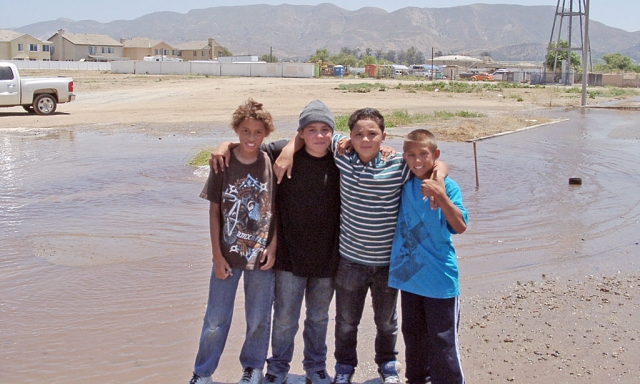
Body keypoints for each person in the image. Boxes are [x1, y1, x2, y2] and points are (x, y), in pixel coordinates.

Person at [274, 108, 449, 384]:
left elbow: (431, 163)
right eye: (358, 134)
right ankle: (344, 367)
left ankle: (388, 364)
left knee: (386, 322)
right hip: (350, 260)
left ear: (384, 136)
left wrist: (438, 176)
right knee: (345, 322)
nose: (365, 140)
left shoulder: (399, 165)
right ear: (349, 136)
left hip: (387, 262)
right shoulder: (342, 154)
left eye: (372, 134)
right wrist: (287, 151)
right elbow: (310, 134)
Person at [209, 100, 341, 384]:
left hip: (327, 257)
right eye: (311, 129)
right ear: (300, 132)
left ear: (333, 132)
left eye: (325, 130)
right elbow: (249, 143)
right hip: (288, 257)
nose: (319, 136)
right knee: (283, 320)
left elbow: (367, 150)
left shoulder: (340, 159)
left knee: (318, 319)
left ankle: (315, 367)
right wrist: (223, 145)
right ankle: (277, 368)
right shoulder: (277, 152)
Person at [190, 99, 278, 384]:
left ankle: (252, 368)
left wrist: (273, 246)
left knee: (259, 319)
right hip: (227, 256)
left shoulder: (271, 162)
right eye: (245, 131)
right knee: (215, 319)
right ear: (236, 130)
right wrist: (217, 256)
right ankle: (202, 373)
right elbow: (214, 211)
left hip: (261, 258)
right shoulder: (223, 163)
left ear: (266, 133)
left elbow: (278, 210)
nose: (251, 138)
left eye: (257, 132)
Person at [389, 129, 468, 384]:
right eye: (411, 155)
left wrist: (441, 194)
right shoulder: (403, 181)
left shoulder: (449, 187)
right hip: (409, 276)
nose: (417, 160)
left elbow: (460, 226)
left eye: (423, 154)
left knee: (443, 341)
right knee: (413, 337)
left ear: (435, 155)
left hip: (439, 281)